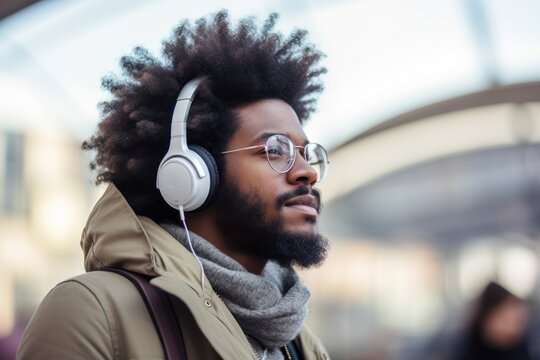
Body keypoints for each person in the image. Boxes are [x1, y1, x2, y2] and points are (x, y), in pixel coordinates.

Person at [16, 10, 331, 360]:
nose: (307, 172)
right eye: (275, 149)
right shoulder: (93, 312)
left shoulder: (301, 346)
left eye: (307, 153)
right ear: (192, 172)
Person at [453, 281, 532, 360]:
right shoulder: (464, 349)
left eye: (518, 321)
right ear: (486, 318)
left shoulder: (523, 349)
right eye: (505, 320)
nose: (512, 328)